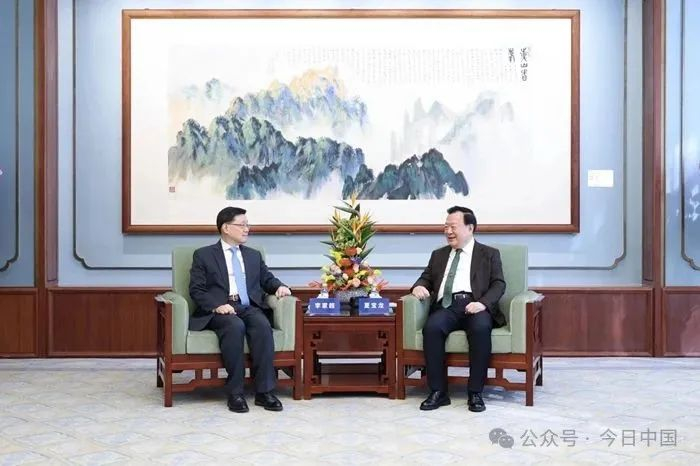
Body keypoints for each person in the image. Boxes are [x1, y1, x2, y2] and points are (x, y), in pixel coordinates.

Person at [189, 206, 292, 413]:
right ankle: (235, 392)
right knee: (234, 326)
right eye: (242, 225)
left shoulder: (253, 255)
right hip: (220, 309)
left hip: (247, 306)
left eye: (248, 225)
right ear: (226, 228)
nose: (247, 229)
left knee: (262, 325)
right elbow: (196, 289)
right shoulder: (204, 255)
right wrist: (217, 305)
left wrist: (279, 286)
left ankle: (264, 392)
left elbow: (267, 279)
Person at [411, 206, 506, 412]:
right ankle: (438, 392)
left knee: (480, 329)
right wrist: (418, 286)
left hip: (476, 304)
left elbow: (499, 284)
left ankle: (475, 392)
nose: (448, 231)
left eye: (453, 227)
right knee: (432, 328)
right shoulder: (438, 255)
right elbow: (426, 278)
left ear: (470, 228)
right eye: (445, 227)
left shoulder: (489, 254)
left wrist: (482, 303)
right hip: (447, 306)